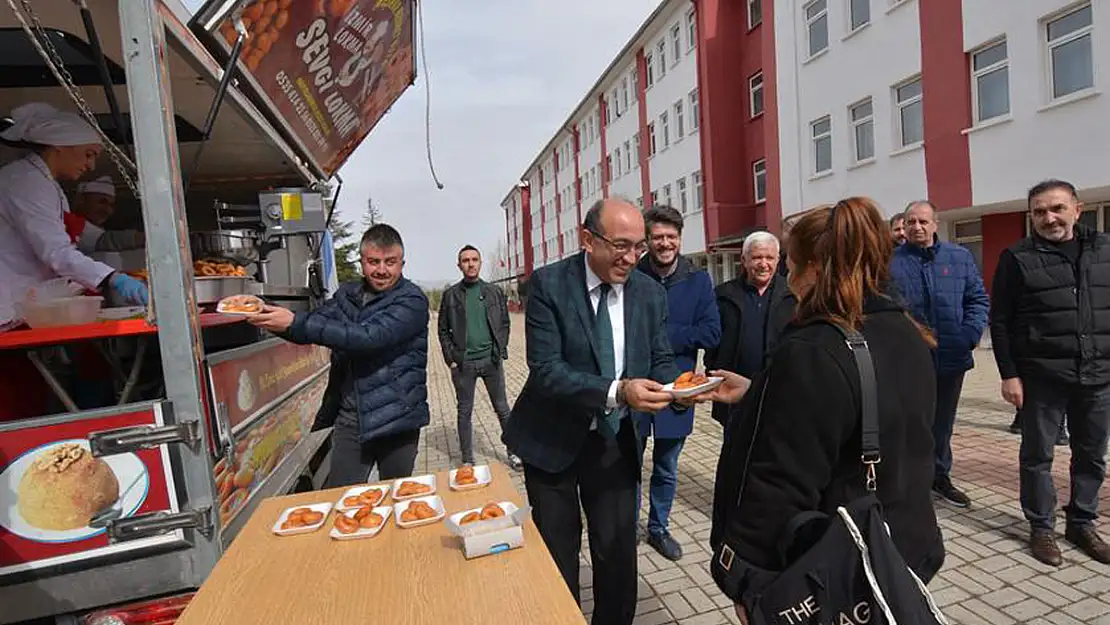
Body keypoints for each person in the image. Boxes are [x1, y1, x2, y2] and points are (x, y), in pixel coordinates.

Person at [700, 198, 945, 623]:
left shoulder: (815, 349)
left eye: (791, 265)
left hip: (834, 570)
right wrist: (761, 392)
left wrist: (750, 582)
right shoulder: (906, 331)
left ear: (817, 267)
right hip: (900, 547)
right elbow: (857, 408)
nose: (787, 277)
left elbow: (779, 481)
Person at [503, 197, 679, 625]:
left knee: (617, 551)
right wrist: (619, 391)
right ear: (587, 239)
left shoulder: (650, 293)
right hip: (551, 439)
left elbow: (659, 357)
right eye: (621, 245)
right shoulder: (548, 284)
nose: (632, 257)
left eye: (639, 247)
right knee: (558, 549)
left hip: (615, 440)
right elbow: (546, 370)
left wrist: (681, 388)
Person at [246, 224, 429, 486]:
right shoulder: (348, 295)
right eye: (373, 261)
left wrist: (295, 322)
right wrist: (267, 314)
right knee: (342, 498)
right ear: (362, 261)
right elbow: (311, 324)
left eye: (390, 262)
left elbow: (369, 337)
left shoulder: (412, 301)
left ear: (402, 263)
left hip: (396, 420)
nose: (381, 270)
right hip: (351, 419)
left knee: (396, 497)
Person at [990, 179, 1110, 567]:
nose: (1049, 218)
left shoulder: (1104, 250)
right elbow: (1001, 321)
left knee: (1092, 454)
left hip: (1098, 374)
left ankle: (1082, 522)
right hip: (1042, 377)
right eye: (1040, 211)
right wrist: (1009, 374)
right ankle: (1041, 528)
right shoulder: (1017, 257)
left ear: (1077, 208)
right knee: (1038, 456)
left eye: (1057, 208)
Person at [0, 102, 148, 319]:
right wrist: (111, 278)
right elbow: (56, 251)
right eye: (89, 154)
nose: (91, 166)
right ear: (59, 146)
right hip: (9, 303)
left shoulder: (46, 184)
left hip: (28, 302)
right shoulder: (25, 181)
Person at [632, 204, 720, 561]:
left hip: (677, 389)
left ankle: (658, 528)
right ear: (647, 240)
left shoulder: (698, 280)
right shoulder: (633, 277)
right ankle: (625, 526)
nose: (664, 243)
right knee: (629, 465)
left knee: (666, 468)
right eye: (657, 237)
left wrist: (662, 336)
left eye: (671, 236)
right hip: (634, 387)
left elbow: (711, 332)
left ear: (680, 239)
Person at [891, 200, 989, 509]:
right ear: (903, 227)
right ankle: (909, 481)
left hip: (951, 356)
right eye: (911, 222)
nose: (917, 227)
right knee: (910, 422)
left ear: (935, 224)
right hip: (908, 361)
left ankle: (940, 476)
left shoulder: (959, 257)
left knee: (943, 423)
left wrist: (969, 336)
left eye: (923, 221)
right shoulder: (889, 263)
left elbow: (977, 299)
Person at [438, 244, 520, 470]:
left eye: (474, 259)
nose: (470, 263)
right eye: (465, 260)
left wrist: (500, 347)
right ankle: (467, 459)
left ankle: (514, 453)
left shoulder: (493, 292)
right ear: (459, 265)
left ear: (480, 262)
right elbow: (442, 329)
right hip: (464, 364)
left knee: (502, 408)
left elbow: (504, 322)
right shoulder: (451, 295)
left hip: (491, 361)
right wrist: (451, 358)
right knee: (464, 411)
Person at [705, 231, 794, 426]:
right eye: (757, 257)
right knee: (735, 450)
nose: (763, 264)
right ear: (744, 260)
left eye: (769, 257)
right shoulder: (722, 295)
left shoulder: (793, 295)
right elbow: (712, 341)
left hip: (778, 394)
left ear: (778, 260)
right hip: (731, 394)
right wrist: (712, 370)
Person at [71, 175, 144, 253]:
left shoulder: (99, 229)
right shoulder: (69, 225)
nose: (107, 210)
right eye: (102, 202)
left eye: (111, 205)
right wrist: (142, 238)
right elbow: (104, 240)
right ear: (82, 200)